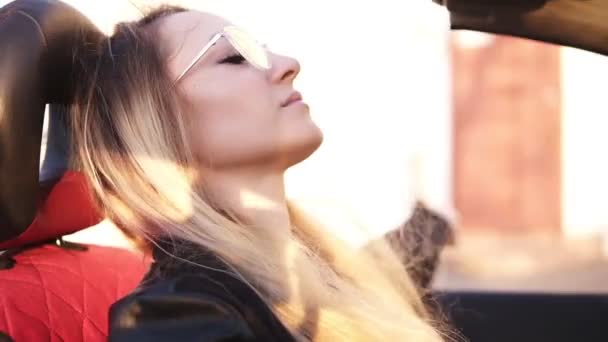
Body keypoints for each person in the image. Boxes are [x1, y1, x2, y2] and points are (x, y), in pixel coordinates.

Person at [68, 5, 447, 341]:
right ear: (156, 125)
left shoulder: (317, 273)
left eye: (261, 49)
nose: (288, 64)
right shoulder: (181, 318)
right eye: (234, 57)